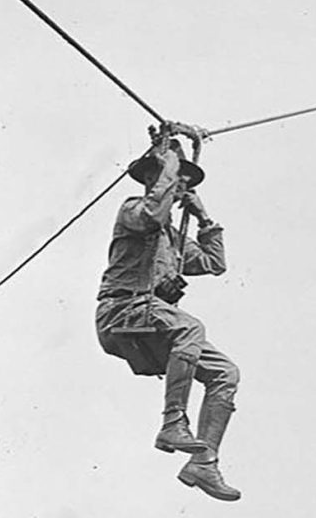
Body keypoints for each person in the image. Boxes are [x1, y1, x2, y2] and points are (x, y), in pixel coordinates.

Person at [95, 138, 242, 501]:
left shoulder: (173, 239)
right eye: (176, 181)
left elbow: (213, 263)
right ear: (156, 178)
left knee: (226, 373)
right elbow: (151, 214)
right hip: (121, 311)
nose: (180, 188)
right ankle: (173, 422)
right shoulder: (133, 211)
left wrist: (204, 216)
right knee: (190, 327)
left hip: (150, 321)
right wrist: (169, 166)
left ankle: (204, 462)